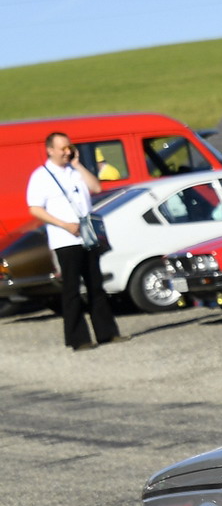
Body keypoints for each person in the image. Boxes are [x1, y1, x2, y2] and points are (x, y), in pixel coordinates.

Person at [26, 131, 121, 350]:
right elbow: (35, 209)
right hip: (65, 240)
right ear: (50, 150)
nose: (67, 152)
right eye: (63, 149)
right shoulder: (41, 176)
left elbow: (96, 188)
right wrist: (64, 225)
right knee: (72, 289)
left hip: (87, 237)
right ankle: (78, 338)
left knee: (95, 285)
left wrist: (78, 165)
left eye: (69, 147)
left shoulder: (74, 171)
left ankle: (107, 333)